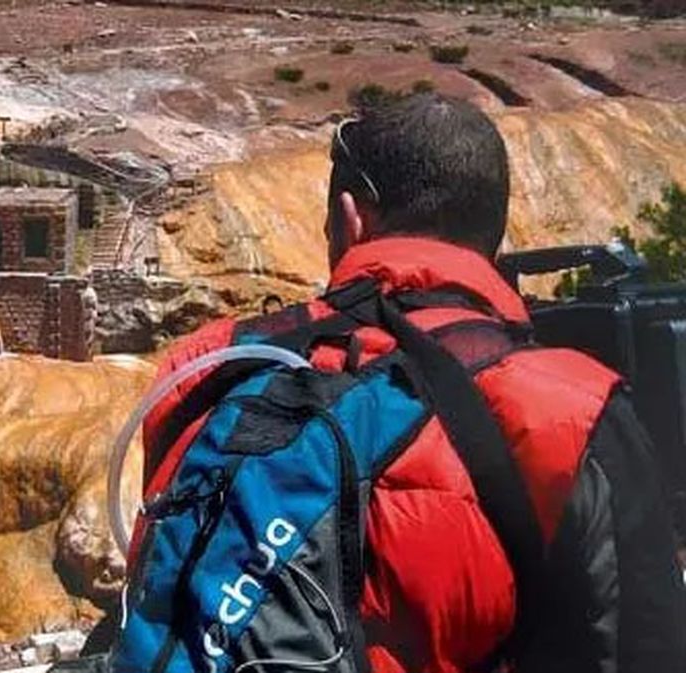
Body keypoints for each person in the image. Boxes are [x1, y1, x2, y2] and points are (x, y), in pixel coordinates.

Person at [142, 93, 686, 672]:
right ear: (494, 231)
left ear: (350, 220)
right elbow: (647, 644)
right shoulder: (567, 408)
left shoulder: (207, 365)